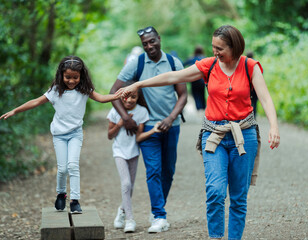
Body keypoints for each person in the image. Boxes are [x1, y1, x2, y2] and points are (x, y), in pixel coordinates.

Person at [120, 25, 280, 239]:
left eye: (220, 48)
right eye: (213, 47)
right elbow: (172, 77)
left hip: (244, 135)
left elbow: (266, 98)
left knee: (239, 197)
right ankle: (215, 237)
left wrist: (274, 127)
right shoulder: (209, 65)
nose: (215, 52)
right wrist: (139, 83)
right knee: (215, 191)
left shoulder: (250, 67)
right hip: (214, 136)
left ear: (235, 47)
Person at [0, 56, 122, 214]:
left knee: (73, 165)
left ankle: (75, 201)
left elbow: (102, 98)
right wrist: (16, 110)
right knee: (63, 168)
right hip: (59, 135)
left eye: (75, 77)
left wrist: (117, 96)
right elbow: (36, 101)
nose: (71, 81)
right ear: (61, 75)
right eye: (68, 77)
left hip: (75, 134)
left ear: (81, 76)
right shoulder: (55, 91)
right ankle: (61, 193)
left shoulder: (85, 90)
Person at [109, 26, 187, 233]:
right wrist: (125, 118)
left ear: (159, 39)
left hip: (172, 125)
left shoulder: (173, 63)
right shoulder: (138, 63)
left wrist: (171, 118)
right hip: (148, 126)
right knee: (153, 170)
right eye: (145, 44)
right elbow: (113, 91)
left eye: (152, 41)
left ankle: (149, 209)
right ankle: (159, 216)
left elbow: (183, 95)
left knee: (168, 171)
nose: (149, 46)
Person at [107, 81, 161, 233]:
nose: (129, 100)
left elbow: (138, 138)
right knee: (126, 184)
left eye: (134, 97)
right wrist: (119, 124)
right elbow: (109, 135)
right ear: (121, 97)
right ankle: (130, 220)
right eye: (126, 97)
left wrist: (154, 131)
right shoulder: (115, 112)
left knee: (130, 187)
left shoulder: (142, 112)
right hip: (119, 152)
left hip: (133, 153)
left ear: (138, 97)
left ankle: (121, 211)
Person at [184, 45, 206, 111]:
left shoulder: (191, 58)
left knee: (195, 94)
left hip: (194, 80)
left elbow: (183, 64)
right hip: (202, 80)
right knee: (202, 93)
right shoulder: (204, 58)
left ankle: (198, 107)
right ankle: (203, 107)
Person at [246, 51, 259, 118]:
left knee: (249, 102)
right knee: (255, 103)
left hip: (249, 88)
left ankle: (249, 116)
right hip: (256, 88)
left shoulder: (245, 64)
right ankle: (254, 116)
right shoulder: (256, 64)